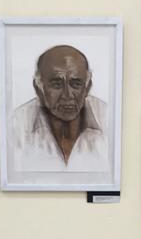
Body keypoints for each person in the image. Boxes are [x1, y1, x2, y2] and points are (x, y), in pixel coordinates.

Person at [9, 44, 108, 172]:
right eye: (56, 84)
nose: (67, 95)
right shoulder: (17, 124)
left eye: (76, 84)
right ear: (38, 88)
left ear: (87, 87)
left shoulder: (108, 118)